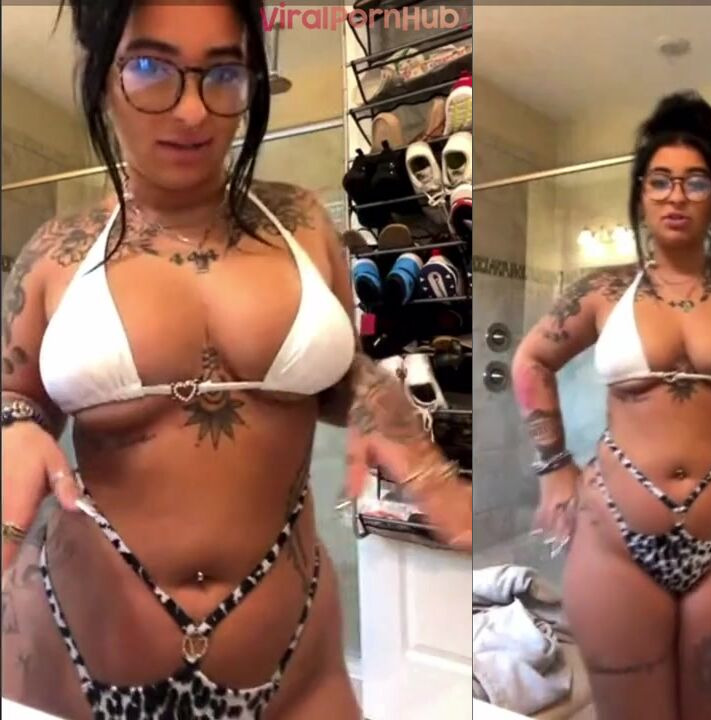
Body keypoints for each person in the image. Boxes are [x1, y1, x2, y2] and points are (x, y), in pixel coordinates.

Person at [0, 2, 473, 718]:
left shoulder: (304, 226)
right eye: (151, 67)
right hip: (73, 656)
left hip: (296, 665)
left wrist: (389, 413)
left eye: (223, 73)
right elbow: (17, 396)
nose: (194, 110)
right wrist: (15, 426)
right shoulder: (55, 254)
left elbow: (339, 373)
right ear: (99, 76)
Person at [510, 92, 711, 720]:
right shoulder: (603, 291)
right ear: (640, 196)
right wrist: (553, 467)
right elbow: (530, 361)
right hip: (614, 542)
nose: (676, 196)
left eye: (695, 181)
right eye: (660, 181)